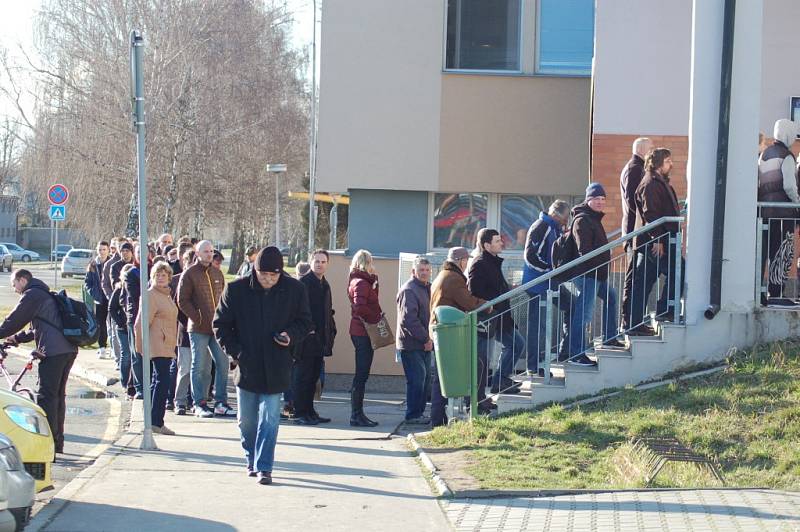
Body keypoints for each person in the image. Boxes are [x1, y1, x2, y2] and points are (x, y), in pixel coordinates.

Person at [214, 246, 312, 485]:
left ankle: (264, 466)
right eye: (263, 275)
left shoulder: (295, 290)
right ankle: (251, 457)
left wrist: (290, 336)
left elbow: (305, 321)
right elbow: (220, 325)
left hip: (278, 365)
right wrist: (237, 352)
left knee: (270, 418)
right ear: (255, 270)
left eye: (274, 275)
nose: (268, 280)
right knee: (246, 421)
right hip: (247, 366)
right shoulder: (236, 290)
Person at [0, 269, 78, 453]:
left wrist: (3, 332)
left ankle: (47, 445)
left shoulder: (32, 295)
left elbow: (14, 320)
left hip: (53, 351)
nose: (14, 289)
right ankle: (58, 443)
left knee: (47, 397)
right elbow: (37, 328)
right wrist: (17, 339)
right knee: (58, 396)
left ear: (23, 280)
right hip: (67, 349)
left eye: (15, 284)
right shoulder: (42, 293)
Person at [628, 148, 684, 331]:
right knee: (678, 271)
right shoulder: (650, 183)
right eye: (668, 161)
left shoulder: (658, 182)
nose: (671, 164)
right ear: (658, 163)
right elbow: (651, 214)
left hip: (660, 240)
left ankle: (637, 322)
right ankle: (664, 310)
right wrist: (657, 240)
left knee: (644, 283)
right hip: (658, 242)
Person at [177, 240, 235, 418]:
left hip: (217, 329)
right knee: (200, 365)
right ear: (197, 252)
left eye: (211, 251)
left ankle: (220, 402)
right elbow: (182, 300)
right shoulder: (189, 274)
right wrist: (198, 317)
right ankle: (199, 403)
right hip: (198, 329)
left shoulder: (217, 273)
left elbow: (224, 300)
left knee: (223, 363)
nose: (209, 254)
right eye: (206, 251)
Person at [567, 183, 624, 365]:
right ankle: (576, 354)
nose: (600, 202)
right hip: (588, 274)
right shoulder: (582, 220)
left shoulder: (593, 218)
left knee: (611, 296)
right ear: (588, 199)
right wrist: (601, 259)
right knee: (583, 314)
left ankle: (609, 337)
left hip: (597, 274)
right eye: (596, 199)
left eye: (602, 199)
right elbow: (585, 251)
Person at [429, 247, 486, 426]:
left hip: (441, 331)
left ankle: (438, 418)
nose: (467, 264)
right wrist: (487, 305)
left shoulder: (442, 275)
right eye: (466, 260)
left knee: (442, 376)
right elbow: (468, 302)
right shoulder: (453, 278)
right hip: (449, 333)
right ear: (461, 260)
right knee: (472, 366)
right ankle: (468, 408)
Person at [468, 228, 525, 399]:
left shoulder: (492, 261)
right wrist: (490, 306)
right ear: (486, 245)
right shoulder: (479, 264)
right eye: (497, 241)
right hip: (491, 317)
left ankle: (500, 380)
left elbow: (496, 285)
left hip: (501, 316)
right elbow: (475, 292)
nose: (502, 243)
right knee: (513, 345)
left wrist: (508, 289)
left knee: (516, 344)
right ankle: (498, 382)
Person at [521, 200, 569, 375]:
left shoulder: (555, 227)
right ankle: (533, 366)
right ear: (556, 215)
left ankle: (566, 351)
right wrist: (549, 270)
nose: (566, 223)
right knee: (538, 325)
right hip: (537, 283)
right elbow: (530, 256)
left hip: (550, 281)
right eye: (564, 220)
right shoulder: (541, 226)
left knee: (571, 305)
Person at [758, 119, 800, 306]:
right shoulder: (787, 156)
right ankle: (777, 295)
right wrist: (797, 203)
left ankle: (762, 293)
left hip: (765, 213)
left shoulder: (764, 154)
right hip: (784, 213)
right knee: (783, 252)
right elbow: (790, 186)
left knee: (766, 252)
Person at [135, 262, 178, 435]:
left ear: (169, 277)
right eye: (157, 275)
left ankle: (155, 421)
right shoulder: (151, 295)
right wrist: (140, 347)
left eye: (164, 275)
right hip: (157, 344)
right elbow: (141, 323)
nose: (160, 278)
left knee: (158, 381)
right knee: (162, 381)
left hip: (166, 344)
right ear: (152, 277)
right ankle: (155, 421)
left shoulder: (166, 295)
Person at [293, 250, 336, 425]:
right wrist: (308, 330)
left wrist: (331, 331)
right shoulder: (303, 283)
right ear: (311, 263)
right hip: (305, 339)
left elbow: (327, 311)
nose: (320, 264)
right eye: (317, 261)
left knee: (313, 378)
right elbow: (297, 310)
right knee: (303, 377)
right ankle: (300, 412)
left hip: (321, 339)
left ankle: (310, 411)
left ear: (327, 264)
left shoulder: (325, 284)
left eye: (323, 261)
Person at [621, 138, 655, 333]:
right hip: (636, 232)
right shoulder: (635, 168)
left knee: (637, 277)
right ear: (642, 150)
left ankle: (633, 321)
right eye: (651, 149)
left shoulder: (633, 167)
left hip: (636, 231)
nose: (652, 153)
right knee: (635, 278)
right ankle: (630, 322)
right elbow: (633, 200)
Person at [396, 256, 433, 425]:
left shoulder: (427, 288)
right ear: (413, 271)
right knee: (417, 380)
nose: (424, 273)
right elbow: (408, 320)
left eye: (427, 270)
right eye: (421, 270)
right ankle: (413, 415)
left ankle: (418, 413)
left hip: (424, 343)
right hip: (411, 344)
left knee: (424, 380)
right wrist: (426, 338)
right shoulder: (409, 290)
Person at [347, 249, 382, 427]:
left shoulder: (362, 281)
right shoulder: (361, 283)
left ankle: (358, 413)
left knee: (362, 374)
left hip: (361, 331)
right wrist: (375, 316)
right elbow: (360, 307)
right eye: (371, 262)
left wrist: (375, 281)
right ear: (366, 262)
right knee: (361, 375)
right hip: (362, 332)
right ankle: (356, 414)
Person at [170, 250, 195, 415]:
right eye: (189, 261)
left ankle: (196, 400)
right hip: (184, 332)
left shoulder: (203, 279)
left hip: (202, 332)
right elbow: (176, 308)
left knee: (200, 370)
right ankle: (179, 401)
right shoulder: (177, 281)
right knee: (184, 368)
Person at [109, 264, 135, 395]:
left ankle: (133, 382)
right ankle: (125, 382)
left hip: (134, 327)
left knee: (135, 355)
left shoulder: (135, 288)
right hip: (122, 328)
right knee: (126, 355)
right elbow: (112, 308)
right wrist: (120, 322)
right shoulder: (119, 289)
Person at [85, 240, 111, 359]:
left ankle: (114, 349)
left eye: (104, 249)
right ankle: (102, 348)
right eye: (100, 250)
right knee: (101, 324)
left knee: (112, 324)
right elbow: (88, 283)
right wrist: (94, 294)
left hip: (111, 298)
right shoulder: (93, 265)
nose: (102, 252)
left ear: (108, 250)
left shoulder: (112, 263)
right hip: (99, 299)